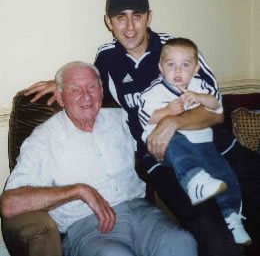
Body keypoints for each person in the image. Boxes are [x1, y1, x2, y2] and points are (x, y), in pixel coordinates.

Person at [23, 0, 258, 256]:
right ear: (108, 22)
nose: (130, 26)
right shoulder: (107, 58)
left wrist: (173, 122)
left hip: (217, 147)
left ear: (149, 16)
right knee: (214, 235)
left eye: (137, 15)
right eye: (120, 17)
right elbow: (87, 82)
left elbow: (216, 114)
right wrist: (61, 84)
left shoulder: (178, 51)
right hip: (163, 161)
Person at [0, 61, 198, 256]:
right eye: (75, 89)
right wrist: (78, 190)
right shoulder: (43, 139)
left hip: (143, 215)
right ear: (60, 98)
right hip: (87, 226)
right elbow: (9, 204)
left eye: (92, 86)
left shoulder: (123, 118)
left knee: (182, 242)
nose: (86, 96)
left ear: (102, 91)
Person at [138, 37, 251, 244]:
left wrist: (199, 98)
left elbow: (216, 107)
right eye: (171, 65)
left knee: (225, 173)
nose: (178, 71)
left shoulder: (199, 85)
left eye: (185, 65)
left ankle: (232, 217)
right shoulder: (153, 91)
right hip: (167, 144)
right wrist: (166, 112)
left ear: (196, 68)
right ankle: (194, 181)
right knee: (178, 145)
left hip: (203, 142)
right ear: (161, 68)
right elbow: (144, 118)